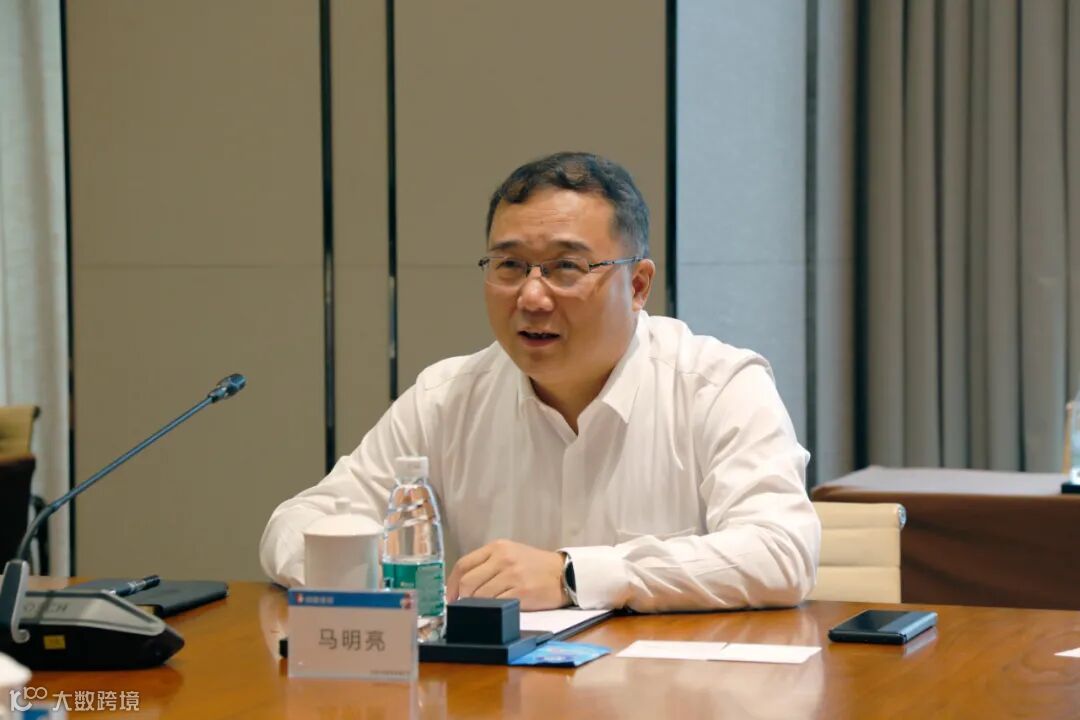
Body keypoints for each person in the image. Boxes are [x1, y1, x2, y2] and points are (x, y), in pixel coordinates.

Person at [259, 151, 820, 612]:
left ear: (638, 285)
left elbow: (780, 552)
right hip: (495, 691)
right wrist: (373, 576)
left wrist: (573, 574)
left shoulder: (717, 386)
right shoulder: (447, 397)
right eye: (509, 266)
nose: (531, 296)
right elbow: (295, 525)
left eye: (565, 268)